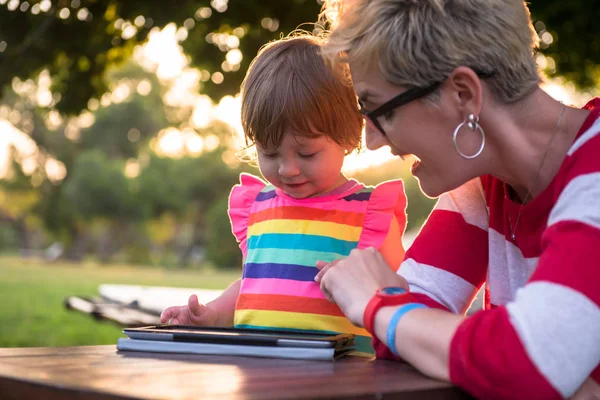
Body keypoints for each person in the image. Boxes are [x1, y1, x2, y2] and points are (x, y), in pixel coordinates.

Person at [314, 0, 600, 398]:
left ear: (463, 94)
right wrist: (402, 318)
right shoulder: (483, 186)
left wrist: (375, 305)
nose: (371, 140)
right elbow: (404, 338)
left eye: (377, 110)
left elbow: (526, 364)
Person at [160, 33, 408, 353]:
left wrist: (373, 289)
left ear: (348, 136)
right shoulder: (258, 208)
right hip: (260, 373)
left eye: (306, 154)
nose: (287, 169)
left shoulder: (369, 215)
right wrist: (211, 313)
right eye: (270, 153)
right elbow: (254, 286)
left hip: (343, 376)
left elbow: (403, 293)